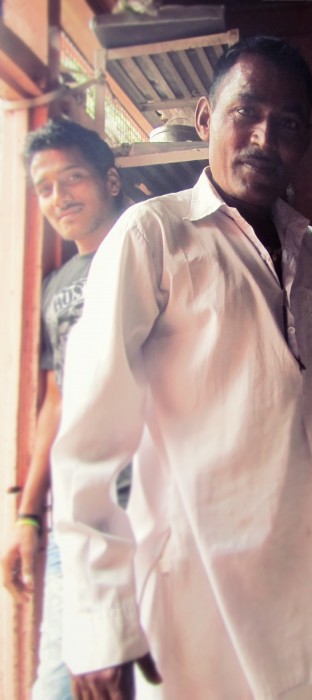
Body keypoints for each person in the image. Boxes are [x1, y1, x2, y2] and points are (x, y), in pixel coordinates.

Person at [51, 36, 312, 700]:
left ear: (305, 139)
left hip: (304, 580)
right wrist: (101, 623)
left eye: (288, 124)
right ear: (206, 118)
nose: (265, 138)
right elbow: (90, 442)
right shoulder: (152, 235)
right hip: (198, 591)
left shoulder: (305, 244)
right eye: (247, 112)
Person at [1, 117, 129, 699]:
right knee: (55, 685)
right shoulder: (58, 285)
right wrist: (28, 517)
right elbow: (56, 399)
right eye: (44, 187)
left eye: (72, 178)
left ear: (110, 181)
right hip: (74, 523)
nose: (58, 197)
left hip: (148, 515)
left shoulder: (150, 252)